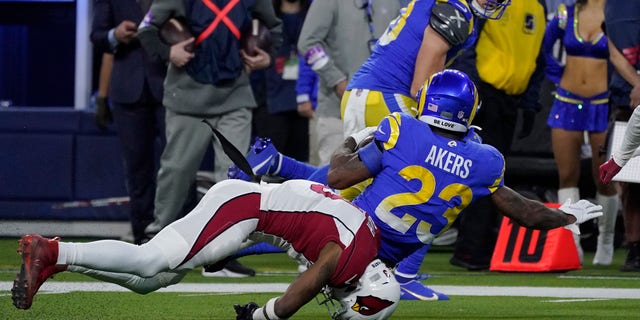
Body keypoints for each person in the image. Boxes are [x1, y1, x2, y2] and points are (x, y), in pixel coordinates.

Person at [230, 70, 604, 301]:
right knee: (317, 251)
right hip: (380, 261)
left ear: (430, 102)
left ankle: (266, 182)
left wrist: (353, 141)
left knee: (301, 216)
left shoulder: (404, 130)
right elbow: (526, 213)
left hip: (349, 229)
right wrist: (566, 216)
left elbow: (338, 176)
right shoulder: (483, 161)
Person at [10, 179, 401, 320]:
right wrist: (267, 316)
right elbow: (308, 285)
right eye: (351, 302)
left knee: (151, 281)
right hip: (246, 211)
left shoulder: (369, 241)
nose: (340, 298)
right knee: (149, 261)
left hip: (249, 213)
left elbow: (310, 222)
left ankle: (59, 263)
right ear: (364, 289)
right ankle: (53, 252)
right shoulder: (351, 261)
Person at [135, 0, 282, 239]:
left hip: (235, 95)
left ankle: (224, 244)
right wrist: (168, 52)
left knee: (233, 174)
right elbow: (147, 28)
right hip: (187, 97)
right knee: (177, 170)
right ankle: (159, 235)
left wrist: (268, 55)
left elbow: (274, 27)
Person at [446, 0, 547, 271]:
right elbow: (468, 46)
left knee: (495, 174)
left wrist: (528, 104)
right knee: (481, 173)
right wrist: (472, 94)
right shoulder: (491, 2)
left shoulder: (538, 6)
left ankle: (482, 248)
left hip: (511, 101)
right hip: (485, 96)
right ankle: (471, 250)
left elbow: (538, 60)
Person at [541, 0, 630, 266]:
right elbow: (545, 51)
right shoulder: (565, 13)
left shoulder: (616, 14)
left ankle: (606, 241)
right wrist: (560, 77)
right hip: (566, 103)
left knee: (603, 175)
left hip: (603, 105)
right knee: (567, 175)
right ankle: (572, 244)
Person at [90, 0, 168, 245]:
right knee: (137, 170)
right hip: (127, 90)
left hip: (170, 86)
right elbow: (98, 35)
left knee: (177, 166)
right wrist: (115, 34)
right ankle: (143, 237)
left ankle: (181, 235)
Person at [297, 0, 402, 165]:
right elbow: (307, 43)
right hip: (337, 113)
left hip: (383, 115)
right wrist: (336, 80)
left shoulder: (393, 2)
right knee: (332, 184)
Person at [600, 0, 640, 272]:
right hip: (626, 95)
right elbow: (614, 49)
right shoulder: (616, 6)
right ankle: (635, 244)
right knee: (633, 181)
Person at [252, 0, 312, 163]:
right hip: (270, 102)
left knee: (300, 167)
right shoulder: (264, 15)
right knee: (269, 166)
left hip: (305, 103)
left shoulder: (314, 13)